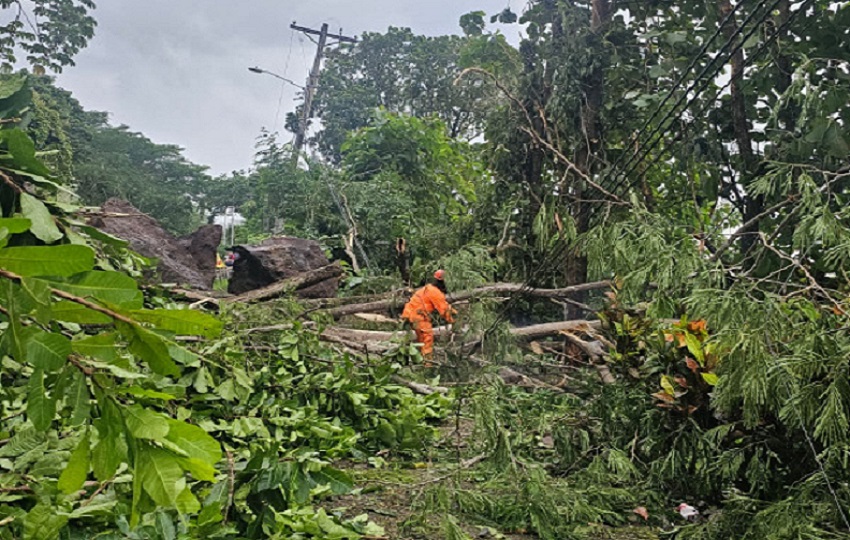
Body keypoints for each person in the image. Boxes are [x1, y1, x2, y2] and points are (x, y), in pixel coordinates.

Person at [401, 269, 456, 363]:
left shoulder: (428, 288)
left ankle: (417, 362)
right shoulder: (435, 292)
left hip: (409, 314)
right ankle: (427, 364)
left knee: (420, 340)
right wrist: (455, 321)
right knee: (427, 339)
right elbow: (444, 309)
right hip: (419, 316)